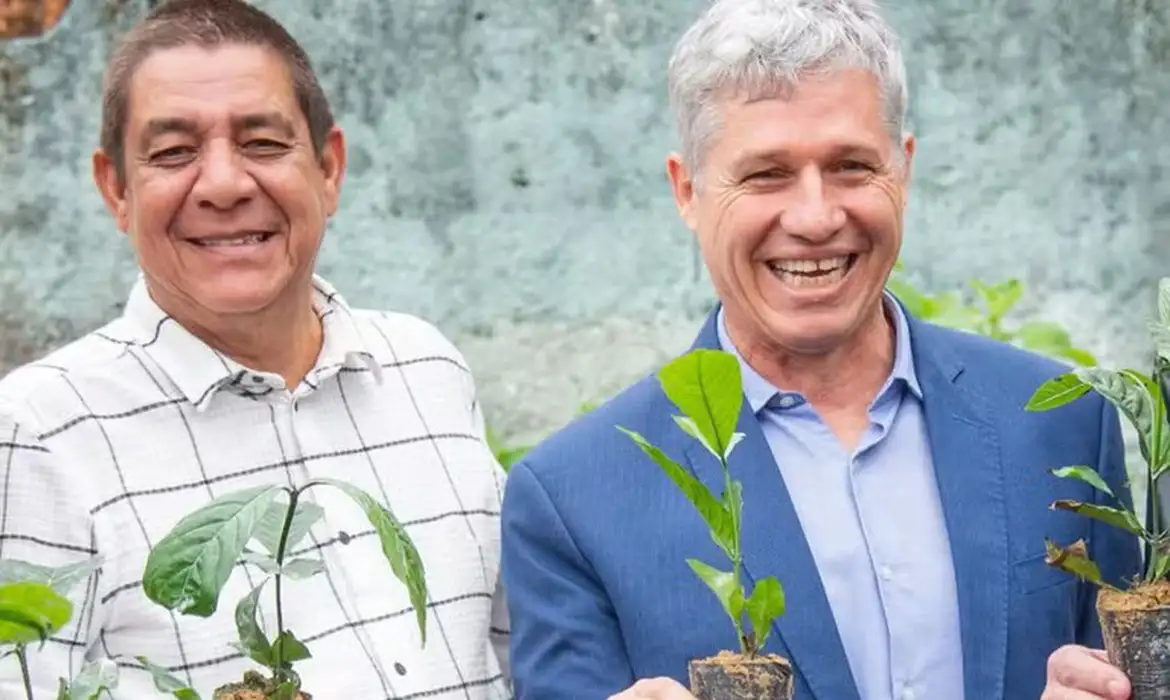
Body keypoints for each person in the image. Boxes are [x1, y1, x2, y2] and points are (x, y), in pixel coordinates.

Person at [499, 1, 1142, 699]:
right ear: (688, 191)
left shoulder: (1059, 419)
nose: (815, 218)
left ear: (904, 170)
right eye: (765, 174)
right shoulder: (574, 499)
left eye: (851, 167)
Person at [0, 1, 510, 697]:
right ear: (116, 189)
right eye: (173, 152)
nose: (223, 185)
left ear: (329, 169)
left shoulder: (426, 370)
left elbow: (513, 658)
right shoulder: (39, 432)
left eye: (263, 143)